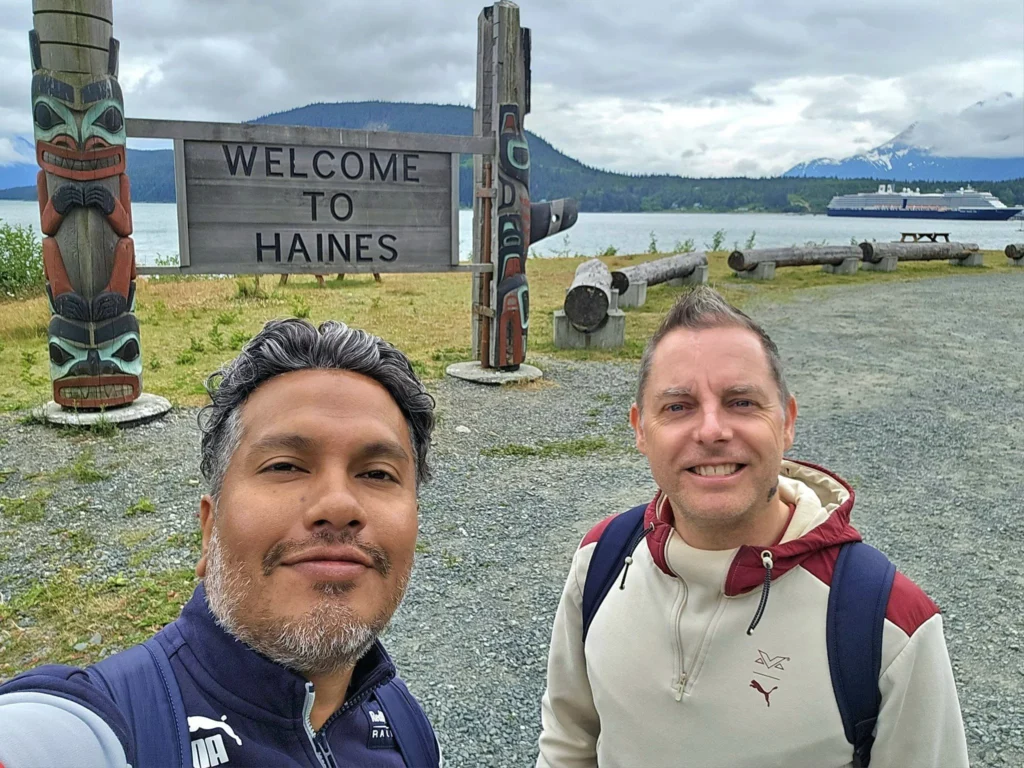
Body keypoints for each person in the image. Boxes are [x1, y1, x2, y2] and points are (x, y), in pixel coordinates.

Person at [536, 286, 968, 768]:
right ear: (640, 428)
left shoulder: (889, 624)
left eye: (741, 402)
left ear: (787, 422)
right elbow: (568, 742)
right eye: (678, 406)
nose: (712, 430)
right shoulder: (600, 560)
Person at [0, 319, 442, 768]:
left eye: (377, 474)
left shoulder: (405, 725)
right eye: (284, 466)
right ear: (209, 531)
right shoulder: (108, 724)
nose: (338, 505)